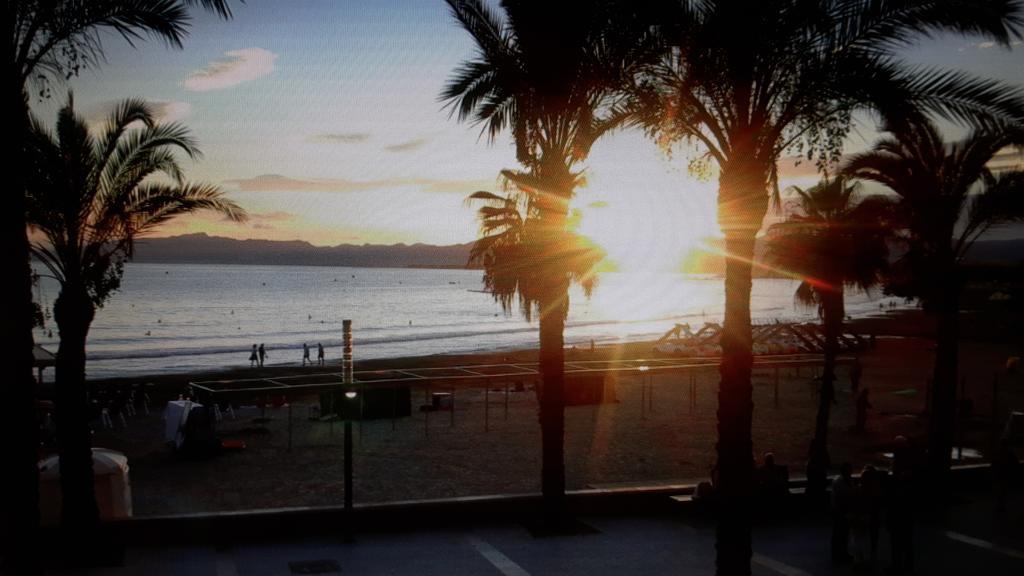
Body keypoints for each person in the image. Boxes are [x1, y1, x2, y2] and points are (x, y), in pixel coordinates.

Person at [831, 462, 854, 564]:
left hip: (840, 510)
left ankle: (840, 553)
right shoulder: (842, 482)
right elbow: (846, 496)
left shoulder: (839, 481)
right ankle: (840, 553)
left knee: (841, 533)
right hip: (841, 510)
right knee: (841, 533)